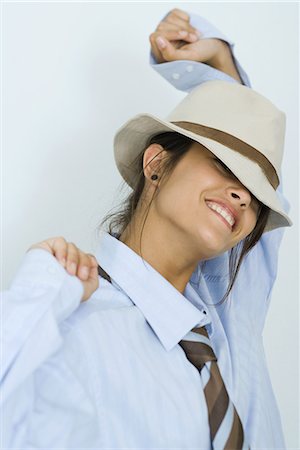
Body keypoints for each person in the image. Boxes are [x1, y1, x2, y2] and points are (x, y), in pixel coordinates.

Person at [1, 8, 292, 449]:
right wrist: (39, 290)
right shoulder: (80, 333)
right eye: (223, 164)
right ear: (156, 164)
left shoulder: (228, 314)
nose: (242, 195)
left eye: (255, 195)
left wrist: (216, 64)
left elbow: (254, 137)